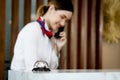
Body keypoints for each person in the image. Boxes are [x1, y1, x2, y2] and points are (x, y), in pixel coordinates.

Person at [10, 0, 73, 71]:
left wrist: (57, 48)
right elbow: (33, 70)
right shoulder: (32, 30)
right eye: (62, 17)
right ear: (51, 9)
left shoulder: (51, 37)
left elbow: (51, 70)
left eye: (66, 21)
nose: (63, 24)